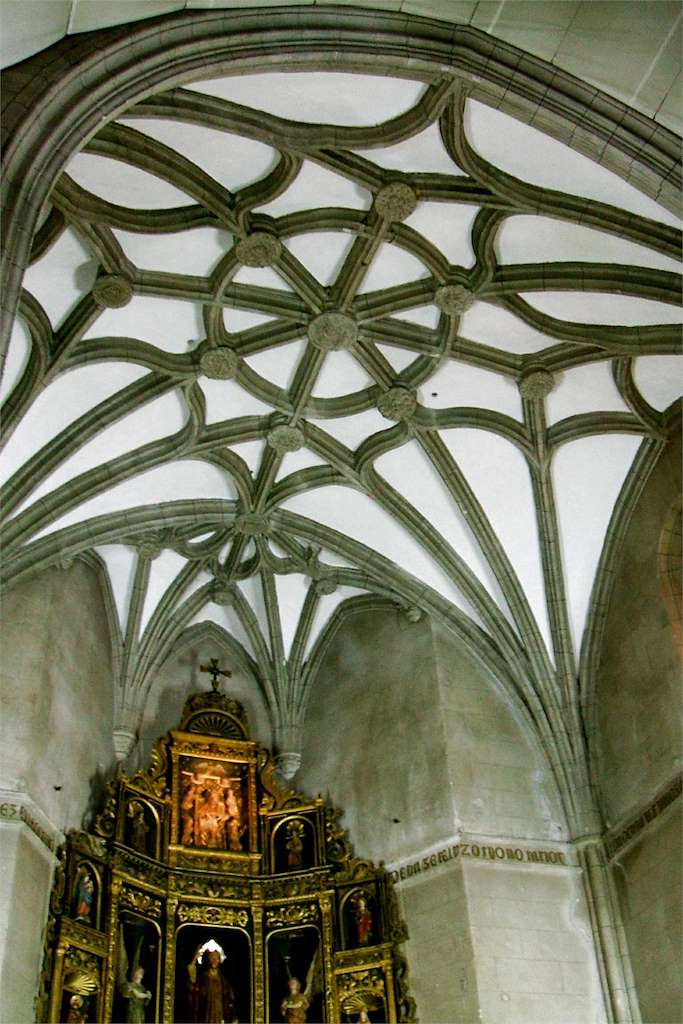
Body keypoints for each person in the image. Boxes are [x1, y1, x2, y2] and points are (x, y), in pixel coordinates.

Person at [187, 946, 235, 1023]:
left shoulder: (224, 981)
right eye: (212, 957)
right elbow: (193, 990)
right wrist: (194, 960)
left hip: (220, 1017)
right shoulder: (202, 978)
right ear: (208, 959)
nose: (214, 960)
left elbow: (230, 1000)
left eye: (216, 958)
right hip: (205, 1016)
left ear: (219, 960)